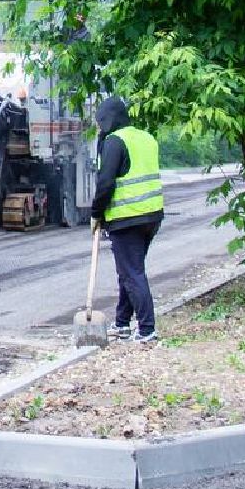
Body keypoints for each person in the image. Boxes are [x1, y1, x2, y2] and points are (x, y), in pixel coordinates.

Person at [91, 95, 164, 343]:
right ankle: (122, 323)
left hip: (127, 218)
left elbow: (106, 182)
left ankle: (147, 329)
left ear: (108, 119)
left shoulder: (115, 141)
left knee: (131, 273)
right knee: (130, 270)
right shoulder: (146, 137)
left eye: (101, 122)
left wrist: (95, 214)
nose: (100, 128)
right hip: (152, 216)